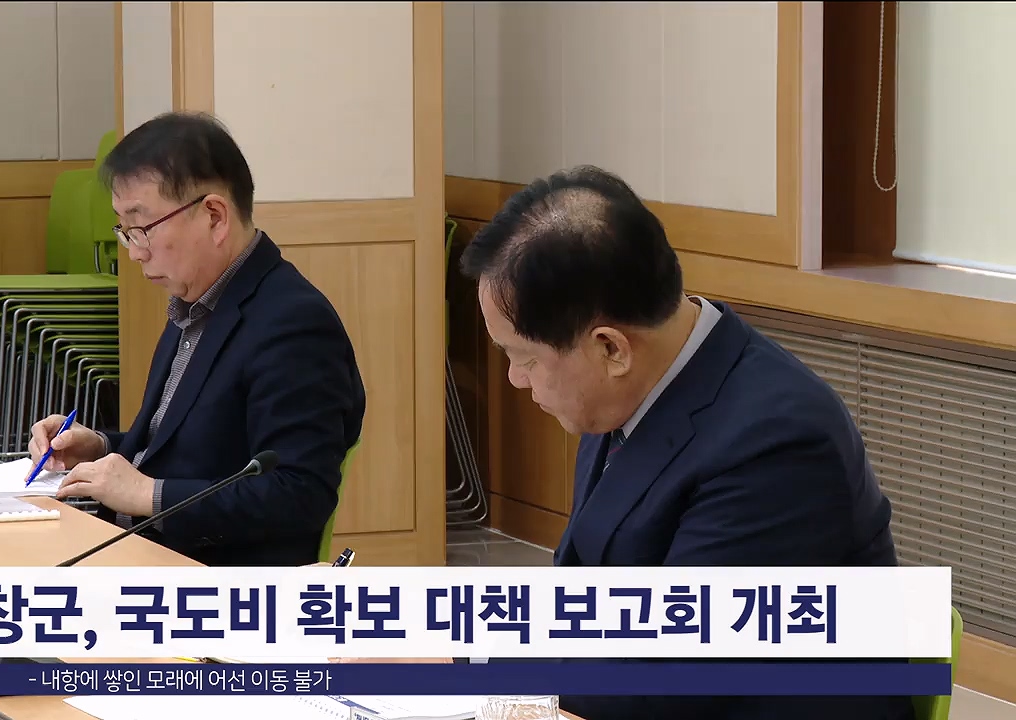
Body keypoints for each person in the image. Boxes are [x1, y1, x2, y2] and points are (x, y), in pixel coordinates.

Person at [339, 166, 914, 720]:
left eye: (525, 359)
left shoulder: (776, 444)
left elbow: (665, 672)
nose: (515, 379)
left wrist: (462, 660)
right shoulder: (638, 386)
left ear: (611, 348)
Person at [27, 111, 365, 567]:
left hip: (211, 578)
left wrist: (148, 494)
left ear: (214, 216)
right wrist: (102, 447)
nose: (135, 251)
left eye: (143, 227)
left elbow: (298, 493)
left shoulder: (293, 323)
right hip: (137, 553)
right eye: (124, 230)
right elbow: (194, 451)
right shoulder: (197, 301)